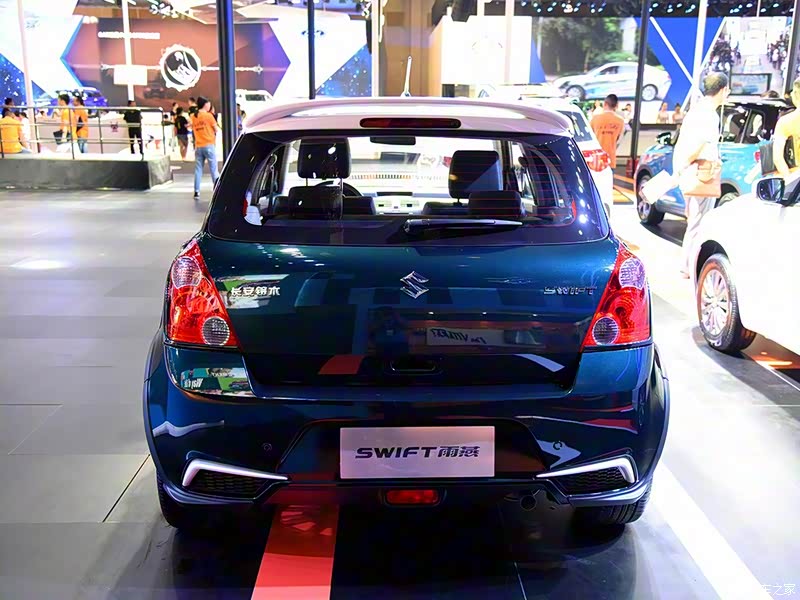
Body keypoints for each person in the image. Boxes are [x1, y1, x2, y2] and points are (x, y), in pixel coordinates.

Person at [673, 72, 730, 277]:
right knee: (698, 222)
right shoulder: (709, 114)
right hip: (700, 173)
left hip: (691, 172)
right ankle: (689, 267)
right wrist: (691, 163)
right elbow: (698, 145)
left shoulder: (696, 110)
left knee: (694, 221)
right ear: (723, 90)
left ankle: (687, 265)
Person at [190, 96, 219, 200]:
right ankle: (217, 191)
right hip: (209, 145)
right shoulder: (208, 116)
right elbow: (216, 129)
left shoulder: (194, 116)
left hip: (198, 146)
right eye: (208, 103)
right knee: (213, 169)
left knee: (198, 169)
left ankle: (196, 191)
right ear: (205, 104)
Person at [773, 78, 800, 179]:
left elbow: (777, 157)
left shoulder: (785, 122)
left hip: (795, 180)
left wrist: (789, 179)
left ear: (796, 93)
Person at [590, 93, 626, 169]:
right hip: (610, 159)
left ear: (605, 104)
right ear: (616, 105)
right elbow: (619, 140)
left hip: (596, 159)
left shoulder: (595, 119)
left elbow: (590, 137)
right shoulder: (620, 121)